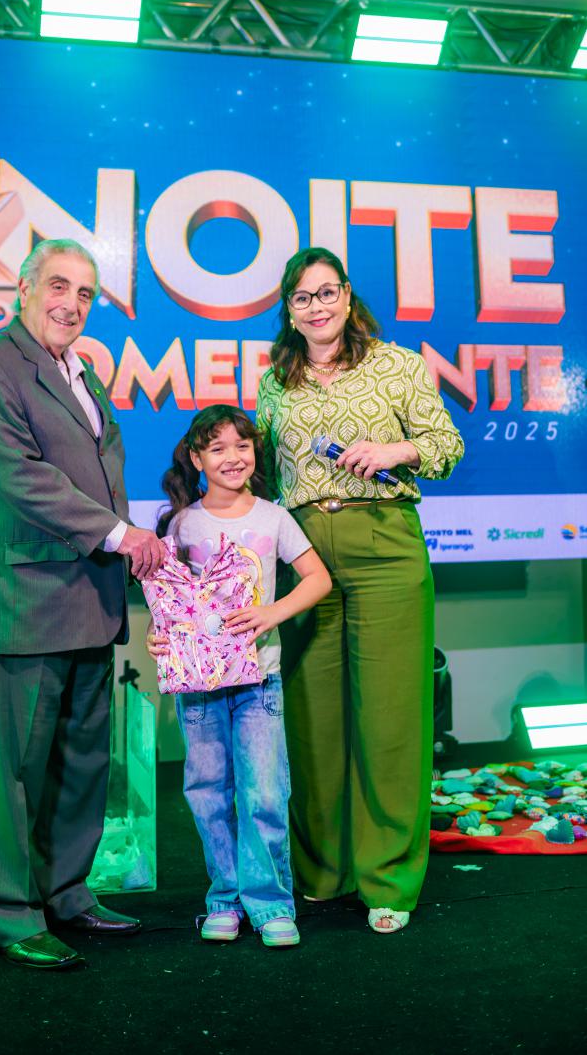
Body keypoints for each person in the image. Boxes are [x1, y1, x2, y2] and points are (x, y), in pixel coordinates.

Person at [0, 238, 165, 969]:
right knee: (10, 772)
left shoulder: (85, 374)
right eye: (60, 285)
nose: (72, 303)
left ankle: (66, 893)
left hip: (91, 599)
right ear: (25, 289)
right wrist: (121, 534)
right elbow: (18, 475)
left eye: (85, 293)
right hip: (22, 601)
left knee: (80, 764)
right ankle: (10, 914)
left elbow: (97, 472)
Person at [256, 246, 464, 934]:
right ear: (289, 311)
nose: (316, 306)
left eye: (326, 292)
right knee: (311, 720)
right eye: (302, 297)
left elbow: (446, 447)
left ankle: (389, 879)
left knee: (390, 718)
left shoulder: (398, 365)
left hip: (384, 546)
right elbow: (260, 473)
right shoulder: (274, 382)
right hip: (303, 556)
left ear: (347, 296)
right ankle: (322, 871)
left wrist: (395, 450)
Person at [146, 405, 331, 947]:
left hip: (259, 684)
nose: (233, 457)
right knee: (208, 792)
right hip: (199, 690)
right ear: (196, 458)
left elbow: (317, 578)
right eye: (218, 447)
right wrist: (158, 636)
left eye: (242, 445)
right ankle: (224, 899)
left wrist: (273, 613)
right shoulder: (181, 524)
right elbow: (170, 602)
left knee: (265, 794)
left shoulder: (274, 518)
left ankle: (271, 904)